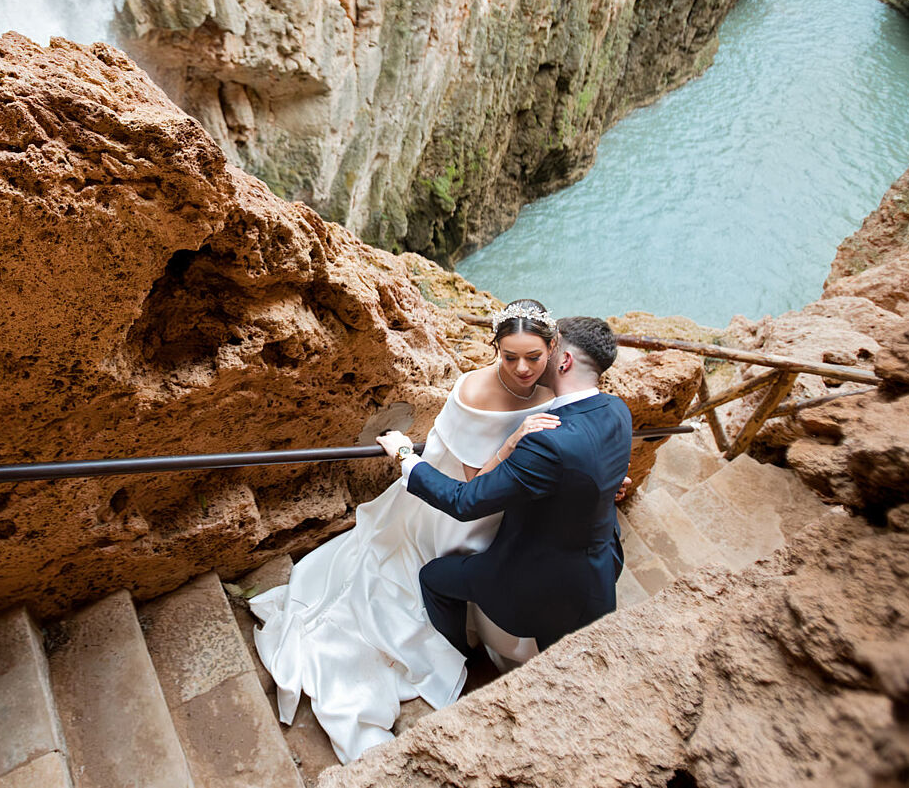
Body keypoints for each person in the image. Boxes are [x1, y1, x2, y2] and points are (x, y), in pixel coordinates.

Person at [249, 300, 564, 764]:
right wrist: (516, 442)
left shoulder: (556, 382)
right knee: (452, 560)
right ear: (494, 348)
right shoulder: (475, 393)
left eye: (533, 357)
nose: (521, 368)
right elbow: (474, 488)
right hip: (459, 505)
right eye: (509, 356)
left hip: (508, 505)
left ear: (552, 349)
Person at [377, 316, 632, 664]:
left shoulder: (549, 444)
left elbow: (465, 501)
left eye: (549, 346)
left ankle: (461, 660)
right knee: (572, 665)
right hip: (598, 569)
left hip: (534, 584)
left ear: (565, 361)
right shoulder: (617, 410)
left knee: (433, 577)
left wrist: (406, 455)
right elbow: (590, 468)